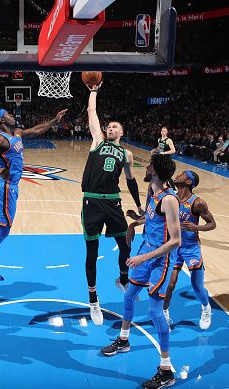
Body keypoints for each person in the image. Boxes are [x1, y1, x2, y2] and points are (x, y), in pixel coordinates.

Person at [101, 153, 180, 389]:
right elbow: (153, 219)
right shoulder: (151, 190)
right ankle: (123, 340)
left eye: (149, 165)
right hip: (146, 251)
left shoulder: (169, 200)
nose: (145, 167)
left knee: (155, 312)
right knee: (128, 295)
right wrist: (134, 224)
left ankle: (166, 370)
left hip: (160, 259)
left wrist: (144, 257)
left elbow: (175, 240)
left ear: (155, 170)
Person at [0, 107, 67, 286]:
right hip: (3, 186)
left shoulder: (17, 133)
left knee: (0, 226)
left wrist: (54, 120)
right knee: (4, 228)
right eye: (8, 114)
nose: (12, 115)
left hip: (11, 186)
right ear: (1, 120)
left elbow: (37, 130)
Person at [80, 81, 145, 325]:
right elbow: (91, 113)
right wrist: (94, 91)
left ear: (122, 132)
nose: (109, 128)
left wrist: (139, 205)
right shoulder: (97, 141)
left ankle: (123, 279)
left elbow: (131, 181)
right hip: (93, 203)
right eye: (108, 126)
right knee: (92, 252)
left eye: (114, 126)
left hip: (114, 203)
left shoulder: (126, 154)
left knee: (126, 246)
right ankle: (93, 300)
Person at [163, 170, 216, 330]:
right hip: (174, 247)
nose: (178, 175)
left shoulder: (197, 202)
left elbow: (212, 223)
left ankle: (206, 308)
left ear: (189, 182)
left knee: (197, 286)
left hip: (191, 247)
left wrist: (196, 227)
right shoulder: (170, 197)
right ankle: (164, 312)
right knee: (170, 284)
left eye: (183, 174)